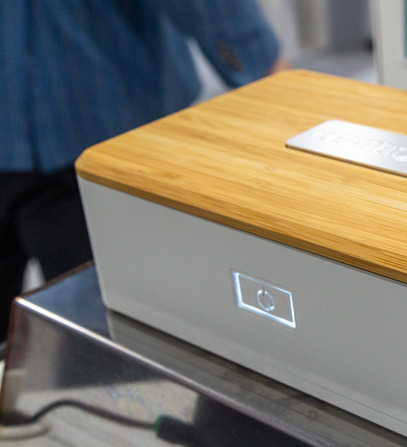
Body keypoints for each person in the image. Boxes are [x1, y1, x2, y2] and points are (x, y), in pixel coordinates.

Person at [0, 0, 289, 344]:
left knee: (116, 336)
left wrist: (261, 66)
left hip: (99, 135)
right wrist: (267, 71)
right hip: (100, 119)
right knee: (116, 340)